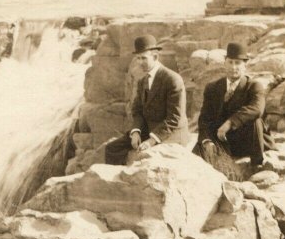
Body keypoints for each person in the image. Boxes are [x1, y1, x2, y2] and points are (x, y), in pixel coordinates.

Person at [104, 35, 189, 165]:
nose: (139, 62)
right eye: (138, 58)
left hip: (171, 134)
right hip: (148, 130)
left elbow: (174, 118)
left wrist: (151, 141)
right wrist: (136, 132)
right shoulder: (142, 80)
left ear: (155, 57)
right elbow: (137, 110)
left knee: (148, 159)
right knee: (111, 149)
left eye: (144, 58)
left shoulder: (172, 79)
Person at [195, 42, 274, 170]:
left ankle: (257, 165)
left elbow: (257, 109)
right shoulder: (212, 88)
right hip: (221, 140)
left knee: (255, 120)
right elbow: (204, 118)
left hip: (247, 141)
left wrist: (230, 123)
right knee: (195, 162)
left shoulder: (254, 86)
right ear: (224, 63)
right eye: (230, 62)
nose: (233, 67)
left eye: (238, 63)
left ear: (245, 65)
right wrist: (207, 140)